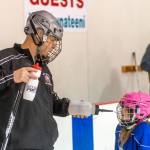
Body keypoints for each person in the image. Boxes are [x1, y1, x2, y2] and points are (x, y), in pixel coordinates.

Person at [0, 10, 98, 150]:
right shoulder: (7, 59)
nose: (53, 46)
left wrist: (70, 107)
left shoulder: (44, 69)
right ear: (39, 33)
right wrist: (12, 76)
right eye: (51, 40)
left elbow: (48, 104)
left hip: (46, 146)